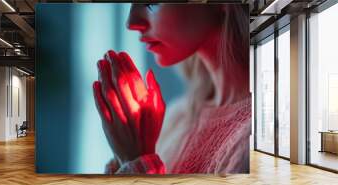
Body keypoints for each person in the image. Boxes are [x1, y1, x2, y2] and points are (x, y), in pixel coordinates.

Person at [92, 4, 251, 174]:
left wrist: (136, 161)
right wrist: (124, 158)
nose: (132, 22)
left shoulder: (253, 142)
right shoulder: (178, 117)